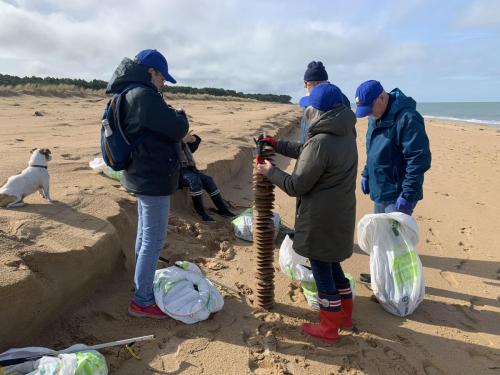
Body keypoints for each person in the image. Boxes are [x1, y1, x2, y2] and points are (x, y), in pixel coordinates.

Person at [256, 83, 358, 341]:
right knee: (333, 264)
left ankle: (329, 326)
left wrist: (270, 172)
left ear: (320, 111)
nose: (307, 112)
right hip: (340, 212)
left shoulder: (322, 141)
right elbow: (306, 151)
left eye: (310, 108)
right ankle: (345, 315)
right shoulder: (344, 134)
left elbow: (295, 185)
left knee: (322, 269)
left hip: (321, 217)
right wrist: (277, 144)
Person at [106, 49, 189, 319]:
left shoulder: (127, 93)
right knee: (153, 239)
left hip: (140, 174)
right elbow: (176, 129)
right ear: (150, 72)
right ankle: (142, 300)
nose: (164, 82)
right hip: (151, 177)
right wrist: (182, 117)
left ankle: (141, 286)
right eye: (162, 76)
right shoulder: (143, 95)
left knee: (145, 236)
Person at [355, 80, 431, 283]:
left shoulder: (408, 118)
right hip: (380, 189)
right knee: (381, 240)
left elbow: (418, 158)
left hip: (398, 194)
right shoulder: (375, 116)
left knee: (396, 244)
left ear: (382, 97)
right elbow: (373, 149)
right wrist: (366, 173)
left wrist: (407, 194)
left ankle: (398, 285)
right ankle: (381, 277)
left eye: (369, 108)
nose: (368, 114)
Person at [180, 130, 235, 222]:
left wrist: (193, 140)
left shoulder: (178, 135)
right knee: (194, 181)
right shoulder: (163, 138)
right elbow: (168, 153)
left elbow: (190, 149)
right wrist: (182, 142)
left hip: (190, 170)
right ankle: (200, 212)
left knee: (208, 180)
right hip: (176, 172)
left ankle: (223, 210)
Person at [300, 61, 351, 143]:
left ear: (317, 83)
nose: (305, 86)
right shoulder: (307, 99)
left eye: (307, 84)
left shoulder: (340, 99)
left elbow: (347, 129)